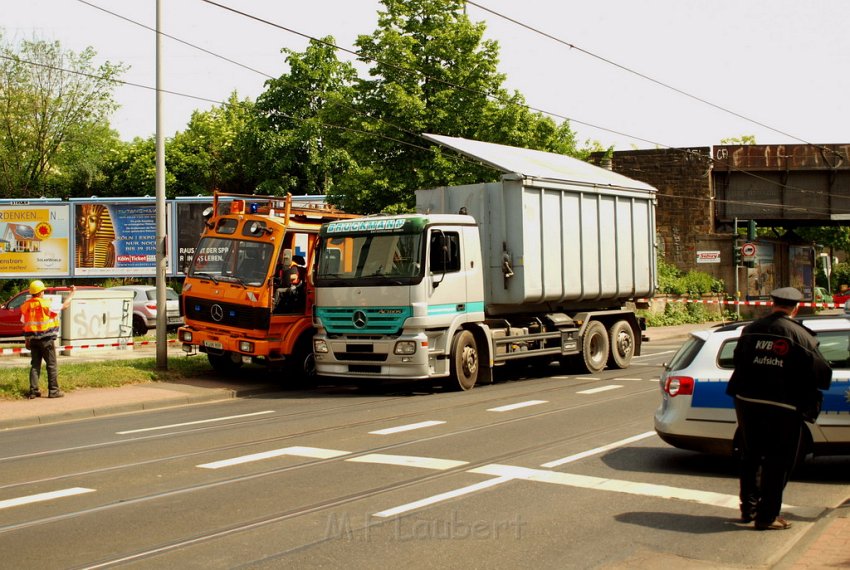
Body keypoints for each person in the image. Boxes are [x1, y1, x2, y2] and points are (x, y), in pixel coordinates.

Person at [726, 287, 832, 530]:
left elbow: (739, 359)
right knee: (778, 461)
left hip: (747, 402)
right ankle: (767, 517)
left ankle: (748, 509)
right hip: (783, 407)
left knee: (750, 456)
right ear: (795, 308)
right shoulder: (801, 336)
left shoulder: (750, 329)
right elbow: (822, 373)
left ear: (772, 304)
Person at [21, 281, 76, 399]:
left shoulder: (26, 305)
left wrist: (27, 340)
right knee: (51, 365)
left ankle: (33, 391)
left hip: (33, 340)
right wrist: (72, 294)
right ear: (41, 292)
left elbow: (24, 323)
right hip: (46, 339)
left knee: (35, 365)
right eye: (43, 291)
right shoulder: (46, 304)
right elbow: (65, 306)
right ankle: (53, 391)